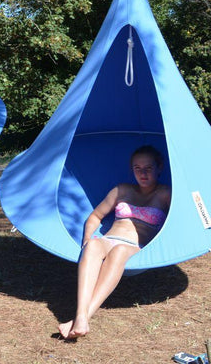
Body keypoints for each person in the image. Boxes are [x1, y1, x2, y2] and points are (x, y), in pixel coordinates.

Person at [58, 145, 171, 340]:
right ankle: (81, 317)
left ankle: (82, 318)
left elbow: (182, 219)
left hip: (135, 247)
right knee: (94, 245)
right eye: (137, 168)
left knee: (119, 250)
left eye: (148, 168)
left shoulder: (166, 194)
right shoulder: (122, 190)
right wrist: (87, 239)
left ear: (159, 167)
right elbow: (95, 217)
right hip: (109, 239)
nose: (143, 173)